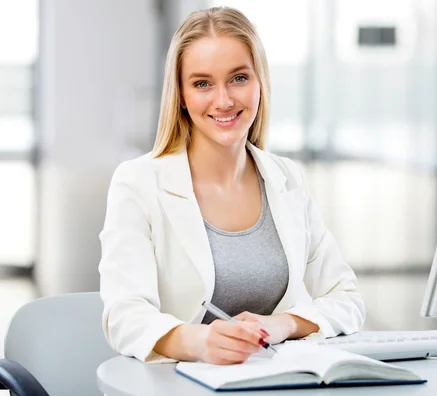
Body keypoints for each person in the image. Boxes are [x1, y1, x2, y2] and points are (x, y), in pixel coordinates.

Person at [99, 6, 365, 365]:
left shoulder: (287, 178)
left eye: (239, 78)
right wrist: (201, 342)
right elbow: (124, 316)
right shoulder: (138, 183)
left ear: (260, 83)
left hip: (277, 384)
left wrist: (282, 325)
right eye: (202, 83)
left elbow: (347, 298)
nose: (223, 100)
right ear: (180, 94)